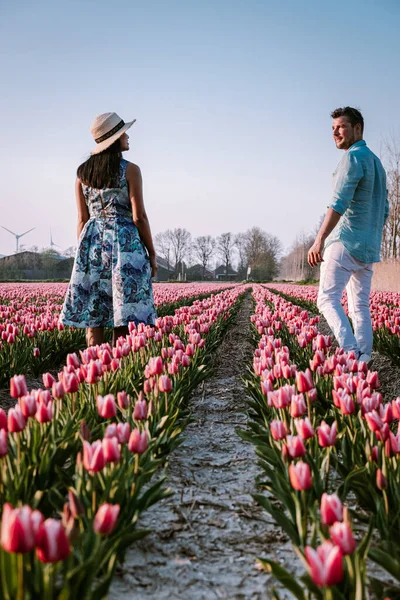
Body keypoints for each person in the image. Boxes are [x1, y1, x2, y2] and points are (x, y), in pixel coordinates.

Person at [60, 112, 157, 346]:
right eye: (124, 133)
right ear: (115, 139)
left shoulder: (82, 175)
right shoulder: (130, 170)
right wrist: (151, 253)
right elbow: (139, 216)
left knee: (94, 311)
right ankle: (119, 369)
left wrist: (82, 254)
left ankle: (96, 367)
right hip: (125, 244)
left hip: (91, 243)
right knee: (123, 313)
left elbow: (82, 219)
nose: (128, 136)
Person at [308, 107, 389, 364]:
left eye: (341, 127)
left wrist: (319, 239)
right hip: (368, 249)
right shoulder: (377, 163)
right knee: (359, 306)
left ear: (357, 128)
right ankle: (364, 358)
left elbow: (338, 202)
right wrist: (371, 233)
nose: (335, 133)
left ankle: (350, 350)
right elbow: (384, 210)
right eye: (333, 129)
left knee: (326, 299)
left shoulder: (353, 158)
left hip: (344, 242)